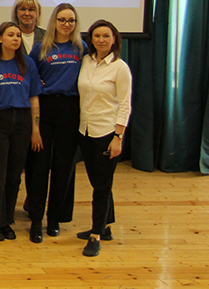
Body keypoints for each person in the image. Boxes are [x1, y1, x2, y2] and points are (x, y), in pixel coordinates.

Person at [25, 2, 85, 243]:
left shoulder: (81, 48)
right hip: (45, 108)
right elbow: (29, 77)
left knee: (64, 166)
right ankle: (36, 218)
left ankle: (55, 218)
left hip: (70, 109)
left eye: (71, 20)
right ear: (54, 21)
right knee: (39, 165)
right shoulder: (40, 48)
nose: (66, 24)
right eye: (62, 20)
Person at [0, 22, 42, 242]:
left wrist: (35, 129)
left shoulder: (28, 63)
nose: (16, 39)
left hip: (22, 121)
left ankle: (7, 220)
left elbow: (34, 97)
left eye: (18, 35)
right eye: (11, 35)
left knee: (14, 175)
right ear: (0, 38)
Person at [76, 20, 132, 257]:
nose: (101, 40)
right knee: (99, 182)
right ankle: (106, 226)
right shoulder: (86, 61)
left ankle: (96, 235)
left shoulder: (120, 68)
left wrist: (118, 136)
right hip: (86, 131)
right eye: (97, 36)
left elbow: (125, 105)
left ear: (114, 39)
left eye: (106, 36)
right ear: (91, 39)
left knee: (101, 186)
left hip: (107, 134)